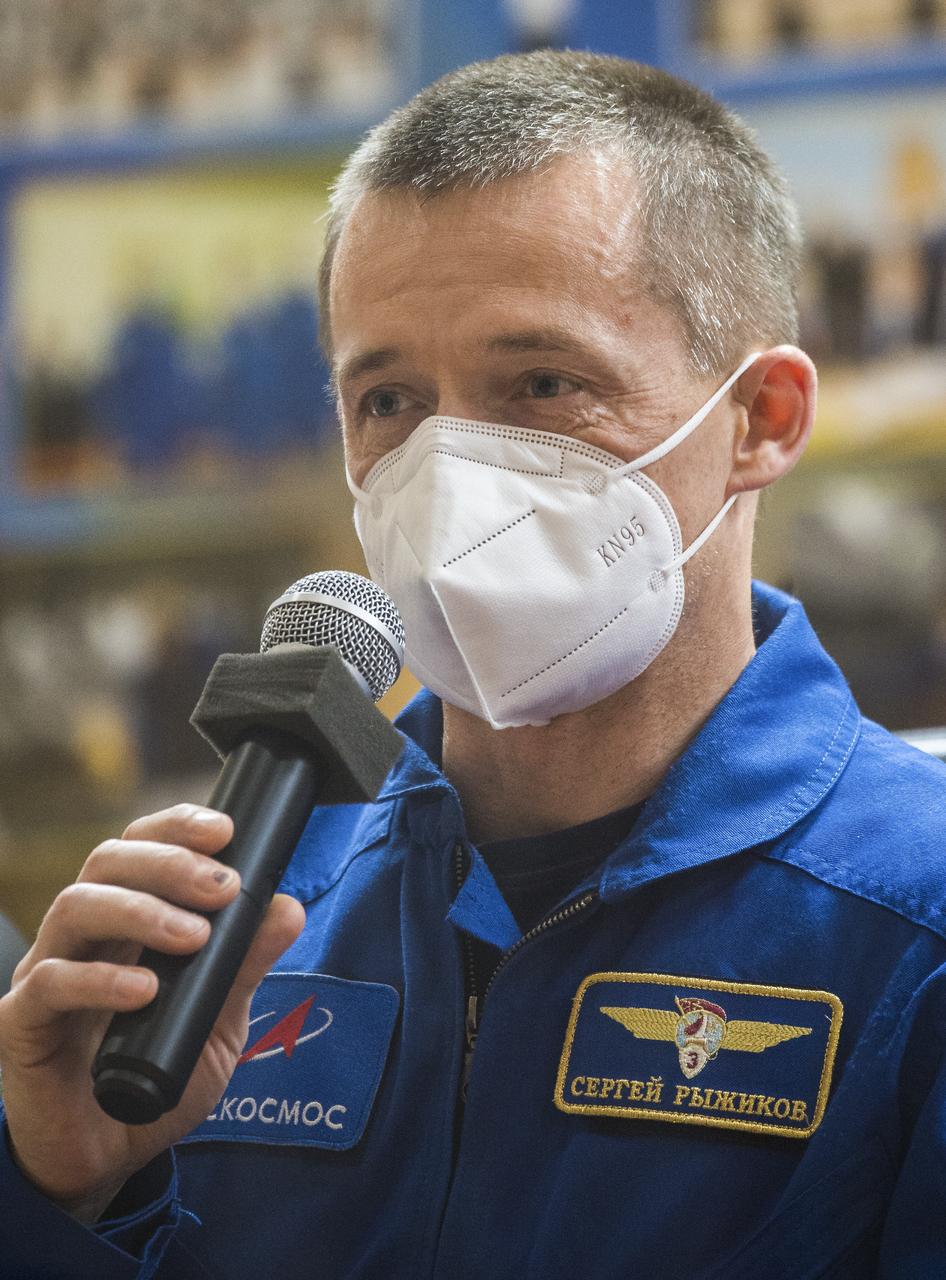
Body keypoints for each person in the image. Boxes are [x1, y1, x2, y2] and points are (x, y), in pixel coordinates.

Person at [0, 50, 944, 1279]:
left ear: (759, 419)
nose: (450, 477)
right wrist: (72, 1194)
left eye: (542, 382)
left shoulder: (911, 919)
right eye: (388, 400)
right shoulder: (242, 920)